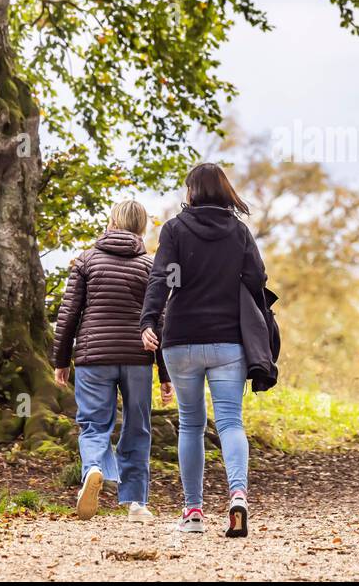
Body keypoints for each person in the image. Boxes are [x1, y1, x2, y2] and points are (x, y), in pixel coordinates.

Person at [140, 163, 269, 538]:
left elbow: (161, 277)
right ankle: (238, 495)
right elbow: (258, 278)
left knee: (192, 425)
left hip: (180, 340)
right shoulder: (239, 232)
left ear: (193, 192)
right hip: (228, 340)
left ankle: (193, 511)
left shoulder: (175, 229)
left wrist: (149, 321)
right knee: (230, 422)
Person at [51, 200, 172, 522]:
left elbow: (68, 315)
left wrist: (61, 359)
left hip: (94, 357)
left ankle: (93, 468)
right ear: (141, 227)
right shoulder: (150, 266)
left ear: (111, 222)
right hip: (137, 358)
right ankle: (136, 503)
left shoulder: (86, 261)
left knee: (93, 423)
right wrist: (165, 373)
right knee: (138, 426)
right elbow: (159, 321)